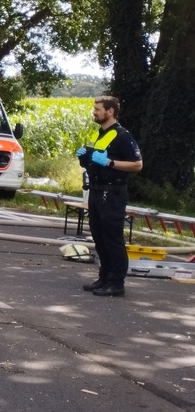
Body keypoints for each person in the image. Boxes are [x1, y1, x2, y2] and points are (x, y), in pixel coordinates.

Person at [75, 95, 143, 297]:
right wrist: (84, 159)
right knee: (99, 237)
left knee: (112, 238)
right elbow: (94, 163)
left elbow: (137, 165)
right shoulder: (100, 134)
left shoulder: (123, 136)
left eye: (98, 109)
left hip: (113, 193)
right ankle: (104, 277)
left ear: (110, 111)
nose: (94, 112)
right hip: (96, 190)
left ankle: (116, 283)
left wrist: (110, 163)